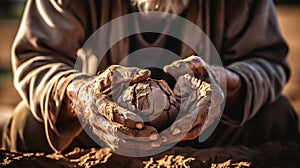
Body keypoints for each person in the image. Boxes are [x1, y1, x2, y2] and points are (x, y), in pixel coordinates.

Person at [2, 0, 299, 153]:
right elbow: (38, 56)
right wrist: (83, 96)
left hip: (209, 129)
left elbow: (266, 60)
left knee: (276, 116)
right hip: (102, 131)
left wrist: (224, 84)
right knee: (27, 124)